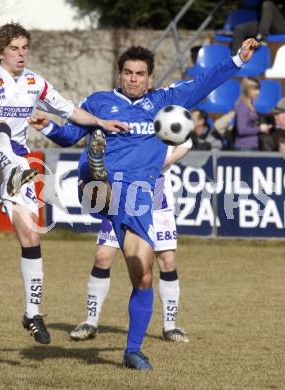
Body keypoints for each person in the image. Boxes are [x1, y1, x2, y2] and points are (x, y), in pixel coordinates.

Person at [29, 38, 259, 370]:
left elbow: (204, 82)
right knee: (103, 189)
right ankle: (97, 167)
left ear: (150, 77)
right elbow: (68, 135)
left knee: (144, 276)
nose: (133, 78)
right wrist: (48, 125)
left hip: (138, 203)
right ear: (120, 74)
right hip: (99, 189)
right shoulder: (99, 103)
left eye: (140, 73)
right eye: (127, 72)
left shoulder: (164, 103)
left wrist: (237, 60)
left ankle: (133, 351)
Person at [0, 22, 127, 346]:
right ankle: (11, 168)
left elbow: (69, 110)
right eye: (14, 48)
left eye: (24, 47)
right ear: (0, 52)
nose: (21, 53)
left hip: (17, 162)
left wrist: (101, 122)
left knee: (31, 234)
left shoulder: (35, 82)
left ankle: (32, 313)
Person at [69, 142, 192, 344]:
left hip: (157, 197)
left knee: (167, 262)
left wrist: (165, 161)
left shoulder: (162, 116)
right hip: (121, 196)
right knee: (102, 257)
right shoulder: (122, 118)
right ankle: (90, 322)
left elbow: (187, 142)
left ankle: (170, 326)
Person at [234, 77, 272, 151]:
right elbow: (241, 130)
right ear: (247, 90)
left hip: (251, 146)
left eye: (258, 89)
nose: (258, 92)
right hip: (245, 147)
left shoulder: (250, 105)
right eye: (255, 89)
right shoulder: (243, 106)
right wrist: (260, 129)